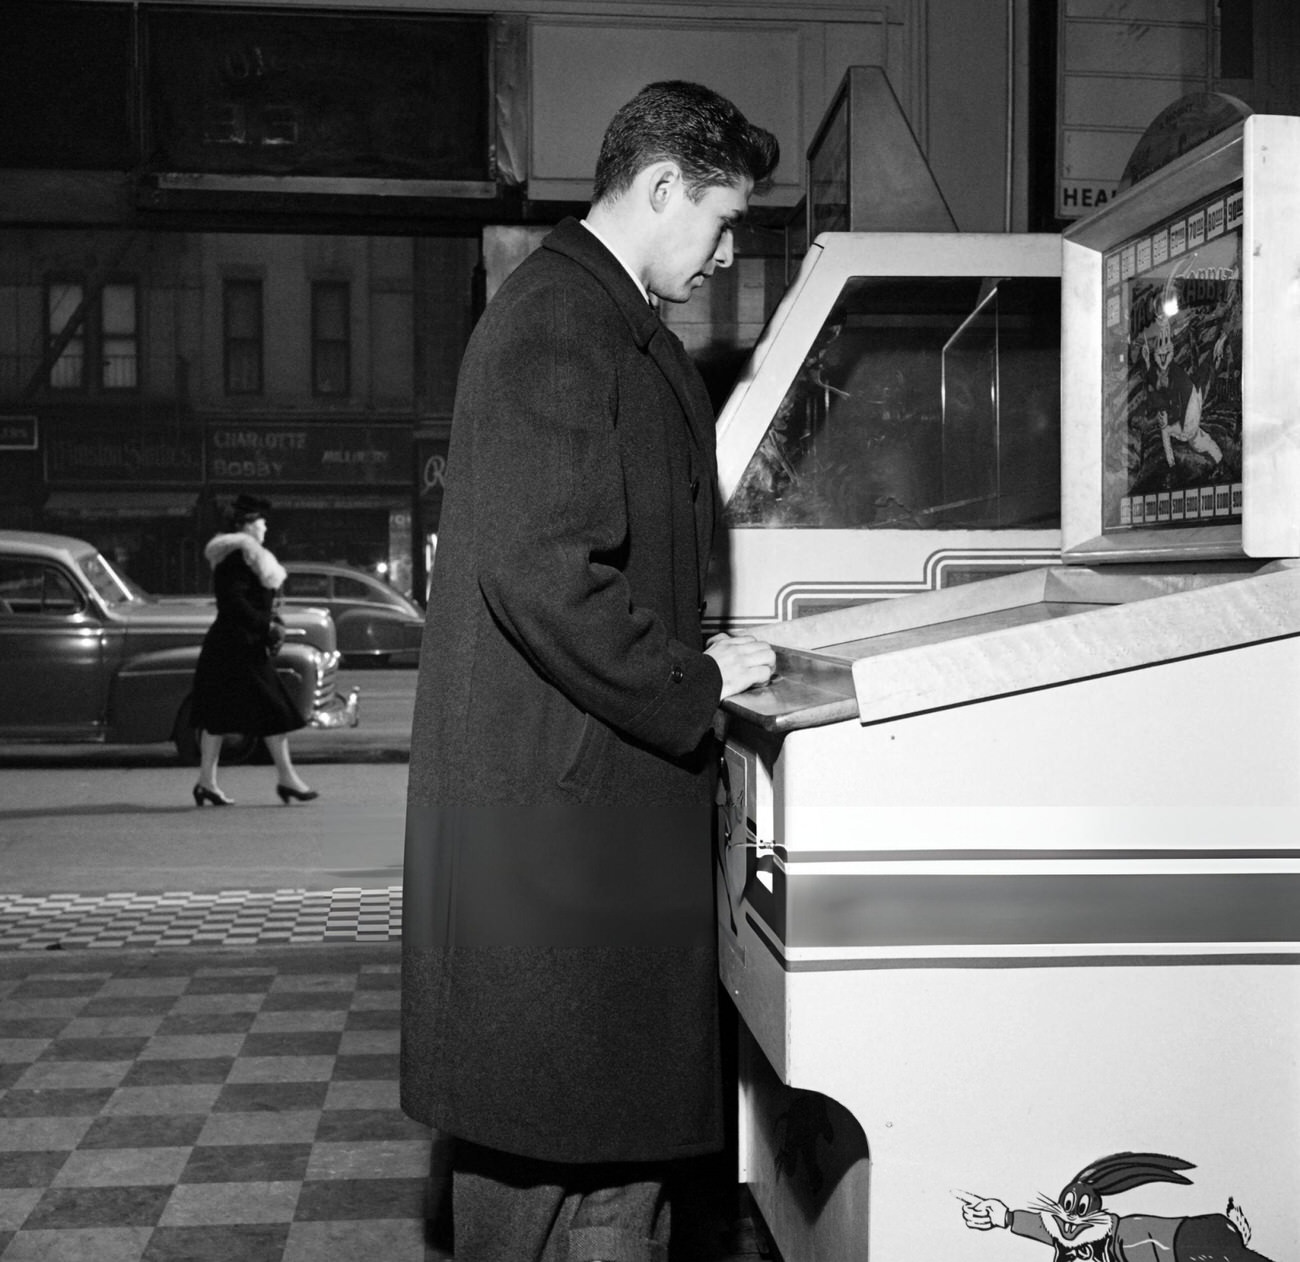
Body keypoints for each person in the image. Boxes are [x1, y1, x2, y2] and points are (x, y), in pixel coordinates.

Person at [401, 81, 779, 1262]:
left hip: (585, 818)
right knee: (534, 1159)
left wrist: (690, 654)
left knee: (617, 1161)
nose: (725, 255)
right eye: (720, 222)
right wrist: (694, 686)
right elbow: (543, 571)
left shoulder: (602, 319)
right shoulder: (557, 322)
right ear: (660, 186)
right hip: (554, 831)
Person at [190, 493, 318, 807]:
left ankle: (207, 783)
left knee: (218, 715)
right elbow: (233, 603)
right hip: (237, 646)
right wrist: (267, 625)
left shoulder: (244, 556)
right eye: (261, 522)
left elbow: (250, 603)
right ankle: (287, 779)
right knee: (273, 710)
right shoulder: (237, 557)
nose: (265, 527)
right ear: (247, 526)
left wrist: (271, 621)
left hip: (235, 644)